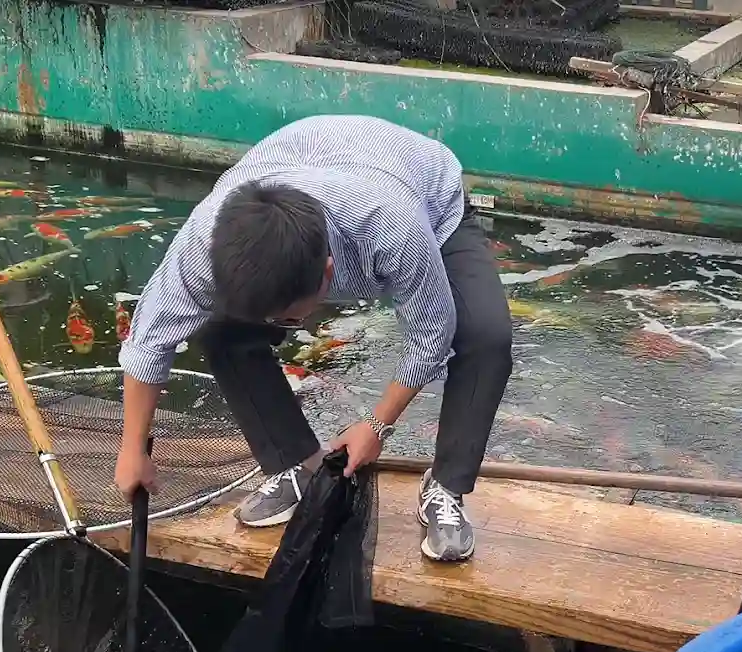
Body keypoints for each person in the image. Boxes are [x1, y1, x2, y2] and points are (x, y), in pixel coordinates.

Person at [115, 115, 512, 562]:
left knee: (486, 337)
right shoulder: (205, 242)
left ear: (328, 275)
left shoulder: (392, 227)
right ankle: (296, 463)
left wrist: (376, 426)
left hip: (423, 193)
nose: (281, 325)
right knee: (223, 330)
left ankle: (446, 487)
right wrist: (132, 450)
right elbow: (148, 340)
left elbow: (431, 333)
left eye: (287, 316)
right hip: (307, 156)